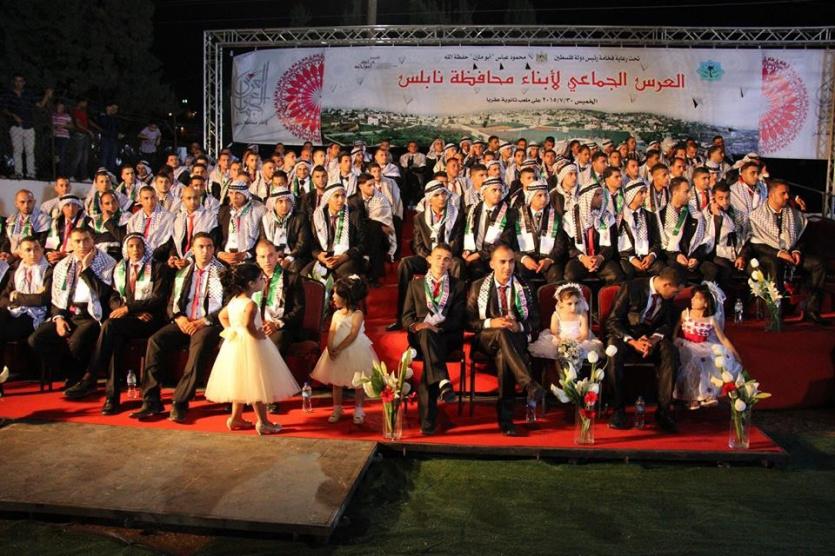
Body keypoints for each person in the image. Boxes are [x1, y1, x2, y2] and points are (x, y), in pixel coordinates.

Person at [64, 234, 172, 406]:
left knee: (110, 326)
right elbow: (113, 297)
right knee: (114, 340)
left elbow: (158, 299)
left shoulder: (159, 268)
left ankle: (90, 377)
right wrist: (129, 312)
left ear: (145, 247)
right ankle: (112, 399)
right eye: (131, 246)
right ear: (126, 249)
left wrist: (129, 309)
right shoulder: (120, 268)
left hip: (151, 320)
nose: (135, 250)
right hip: (129, 320)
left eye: (139, 246)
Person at [130, 233, 224, 422]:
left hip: (208, 323)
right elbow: (172, 301)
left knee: (199, 346)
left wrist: (203, 321)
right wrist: (179, 318)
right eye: (201, 247)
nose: (205, 251)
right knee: (155, 341)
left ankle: (180, 402)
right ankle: (151, 401)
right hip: (184, 321)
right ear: (193, 250)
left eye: (209, 246)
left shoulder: (222, 272)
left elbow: (227, 305)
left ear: (214, 249)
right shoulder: (184, 271)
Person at [204, 263, 300, 435]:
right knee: (256, 385)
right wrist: (257, 335)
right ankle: (263, 422)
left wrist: (232, 329)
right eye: (261, 279)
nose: (264, 281)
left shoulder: (234, 300)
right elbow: (248, 325)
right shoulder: (251, 304)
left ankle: (236, 418)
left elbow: (222, 316)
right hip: (251, 346)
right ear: (251, 284)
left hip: (235, 345)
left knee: (240, 382)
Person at [466, 243, 544, 436]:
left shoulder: (525, 286)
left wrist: (520, 326)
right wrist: (491, 322)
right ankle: (528, 383)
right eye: (502, 262)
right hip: (487, 339)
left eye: (511, 262)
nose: (507, 267)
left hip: (515, 339)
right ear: (492, 264)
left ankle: (506, 422)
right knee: (501, 333)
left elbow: (536, 320)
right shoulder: (477, 287)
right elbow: (468, 322)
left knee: (504, 355)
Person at [29, 227, 116, 390]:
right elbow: (57, 297)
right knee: (37, 339)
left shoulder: (107, 262)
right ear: (71, 243)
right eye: (77, 241)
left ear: (93, 241)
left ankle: (77, 378)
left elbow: (103, 293)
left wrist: (87, 268)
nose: (82, 245)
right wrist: (59, 319)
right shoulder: (63, 265)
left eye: (86, 240)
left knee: (76, 343)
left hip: (92, 316)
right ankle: (73, 374)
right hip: (68, 313)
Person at [605, 266, 681, 432]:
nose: (675, 295)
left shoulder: (667, 297)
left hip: (651, 338)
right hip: (626, 336)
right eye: (675, 292)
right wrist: (633, 341)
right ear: (666, 285)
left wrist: (653, 339)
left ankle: (663, 411)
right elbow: (612, 321)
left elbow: (667, 324)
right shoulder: (631, 287)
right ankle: (618, 410)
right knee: (613, 351)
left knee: (671, 352)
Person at [401, 243, 466, 435]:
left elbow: (458, 319)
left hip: (447, 337)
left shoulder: (458, 285)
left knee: (430, 361)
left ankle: (428, 423)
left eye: (446, 259)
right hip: (420, 337)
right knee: (426, 335)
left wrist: (438, 328)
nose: (441, 262)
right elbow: (406, 318)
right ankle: (442, 381)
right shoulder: (415, 285)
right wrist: (417, 326)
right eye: (438, 257)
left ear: (451, 263)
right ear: (429, 259)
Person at [748, 179, 829, 325]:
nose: (787, 197)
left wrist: (797, 250)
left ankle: (812, 310)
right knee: (774, 264)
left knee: (818, 264)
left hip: (791, 254)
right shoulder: (756, 216)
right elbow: (755, 244)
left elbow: (801, 236)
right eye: (783, 193)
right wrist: (779, 253)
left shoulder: (793, 213)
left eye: (788, 193)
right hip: (769, 255)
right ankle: (775, 313)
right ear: (771, 194)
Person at [389, 181, 464, 330]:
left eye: (444, 194)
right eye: (437, 195)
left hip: (447, 258)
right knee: (406, 263)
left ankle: (452, 318)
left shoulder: (457, 215)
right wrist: (429, 258)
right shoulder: (420, 218)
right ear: (429, 199)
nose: (442, 198)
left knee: (457, 264)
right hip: (428, 258)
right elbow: (417, 245)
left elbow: (457, 242)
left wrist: (442, 257)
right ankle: (402, 317)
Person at [310, 275, 378, 425]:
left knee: (359, 382)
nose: (333, 297)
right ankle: (337, 408)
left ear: (346, 297)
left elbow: (353, 334)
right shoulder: (336, 314)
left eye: (336, 294)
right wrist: (330, 347)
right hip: (336, 350)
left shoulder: (357, 314)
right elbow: (332, 331)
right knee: (337, 381)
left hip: (354, 350)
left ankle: (359, 410)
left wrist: (339, 348)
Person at [673, 282, 742, 410]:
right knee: (693, 360)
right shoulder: (685, 314)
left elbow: (723, 338)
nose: (693, 300)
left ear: (706, 303)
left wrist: (735, 354)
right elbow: (675, 330)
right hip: (686, 344)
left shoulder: (711, 319)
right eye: (693, 297)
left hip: (703, 346)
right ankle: (692, 397)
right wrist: (673, 342)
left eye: (697, 298)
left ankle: (707, 395)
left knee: (710, 360)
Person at [0, 237, 51, 371]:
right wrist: (22, 299)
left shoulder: (48, 270)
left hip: (34, 315)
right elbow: (3, 298)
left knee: (3, 330)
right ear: (21, 254)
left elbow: (42, 299)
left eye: (36, 249)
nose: (33, 253)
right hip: (14, 311)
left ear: (42, 250)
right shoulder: (16, 271)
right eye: (28, 250)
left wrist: (17, 296)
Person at [657, 177, 717, 282]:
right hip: (672, 258)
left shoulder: (695, 215)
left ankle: (704, 292)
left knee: (711, 269)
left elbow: (705, 240)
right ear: (675, 193)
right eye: (686, 192)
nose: (690, 195)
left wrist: (695, 257)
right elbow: (661, 243)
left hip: (693, 256)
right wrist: (676, 256)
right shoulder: (661, 215)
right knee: (674, 270)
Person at [528, 282, 603, 365]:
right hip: (560, 340)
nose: (573, 307)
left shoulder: (582, 314)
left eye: (576, 303)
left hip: (579, 341)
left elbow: (584, 333)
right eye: (569, 304)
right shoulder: (557, 315)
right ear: (561, 302)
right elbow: (554, 332)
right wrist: (563, 343)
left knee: (581, 353)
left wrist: (575, 344)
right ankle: (560, 368)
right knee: (557, 353)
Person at [563, 184, 623, 284]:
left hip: (601, 258)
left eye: (601, 194)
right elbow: (568, 246)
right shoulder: (569, 218)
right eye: (597, 195)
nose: (601, 197)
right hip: (579, 259)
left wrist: (600, 257)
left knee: (616, 274)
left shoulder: (607, 217)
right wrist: (583, 258)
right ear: (587, 198)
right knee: (570, 274)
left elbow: (611, 245)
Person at [306, 183, 366, 280]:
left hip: (347, 257)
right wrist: (319, 255)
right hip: (325, 258)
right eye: (336, 196)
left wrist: (344, 257)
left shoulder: (354, 215)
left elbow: (362, 244)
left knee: (340, 274)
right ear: (327, 199)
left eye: (343, 196)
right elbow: (311, 242)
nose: (341, 200)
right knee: (305, 275)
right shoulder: (318, 216)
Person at [461, 177, 516, 280]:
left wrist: (479, 254)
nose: (498, 193)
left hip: (496, 255)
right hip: (473, 253)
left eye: (500, 190)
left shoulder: (509, 213)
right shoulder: (472, 210)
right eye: (494, 190)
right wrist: (466, 250)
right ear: (484, 192)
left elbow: (505, 241)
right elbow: (464, 233)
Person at [514, 180, 568, 285]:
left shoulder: (556, 216)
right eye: (539, 195)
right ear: (530, 197)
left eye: (545, 195)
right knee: (520, 270)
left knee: (556, 274)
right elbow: (511, 245)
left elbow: (561, 245)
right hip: (526, 259)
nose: (543, 199)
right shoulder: (517, 215)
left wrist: (549, 259)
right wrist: (524, 258)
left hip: (549, 259)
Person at [3, 74, 51, 178]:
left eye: (20, 81)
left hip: (29, 125)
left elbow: (40, 105)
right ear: (14, 82)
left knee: (30, 151)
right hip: (15, 126)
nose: (18, 83)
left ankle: (31, 174)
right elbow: (4, 109)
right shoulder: (9, 95)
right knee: (17, 150)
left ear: (24, 83)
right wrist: (13, 115)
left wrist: (46, 95)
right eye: (16, 81)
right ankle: (18, 173)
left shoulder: (28, 94)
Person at [617, 179, 665, 279]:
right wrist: (632, 259)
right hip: (628, 258)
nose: (645, 195)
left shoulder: (650, 216)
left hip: (647, 258)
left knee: (661, 268)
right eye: (641, 192)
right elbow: (617, 245)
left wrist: (651, 256)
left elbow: (657, 242)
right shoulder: (620, 217)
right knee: (626, 270)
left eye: (645, 192)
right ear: (632, 194)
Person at [259, 188, 312, 274]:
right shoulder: (266, 220)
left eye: (288, 201)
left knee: (292, 271)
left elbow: (302, 244)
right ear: (274, 203)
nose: (284, 205)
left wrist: (288, 259)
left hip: (295, 256)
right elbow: (264, 242)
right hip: (272, 255)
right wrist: (275, 256)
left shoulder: (300, 218)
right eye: (280, 201)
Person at [217, 181, 266, 266]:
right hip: (225, 257)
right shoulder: (224, 211)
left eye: (238, 193)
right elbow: (217, 236)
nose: (234, 197)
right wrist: (220, 253)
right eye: (231, 193)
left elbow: (263, 238)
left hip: (249, 258)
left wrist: (247, 254)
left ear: (245, 194)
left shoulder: (258, 210)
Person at [1, 190, 51, 262]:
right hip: (12, 257)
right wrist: (4, 252)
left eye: (29, 201)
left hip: (33, 258)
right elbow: (7, 240)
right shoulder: (11, 219)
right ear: (16, 204)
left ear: (34, 202)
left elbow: (41, 244)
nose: (26, 205)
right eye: (22, 202)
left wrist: (15, 256)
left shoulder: (43, 219)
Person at [44, 194, 86, 264]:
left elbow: (86, 246)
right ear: (62, 208)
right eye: (67, 205)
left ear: (78, 207)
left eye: (74, 205)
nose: (71, 208)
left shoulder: (86, 222)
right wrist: (50, 254)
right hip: (56, 259)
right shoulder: (56, 222)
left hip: (76, 259)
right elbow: (50, 244)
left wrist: (66, 255)